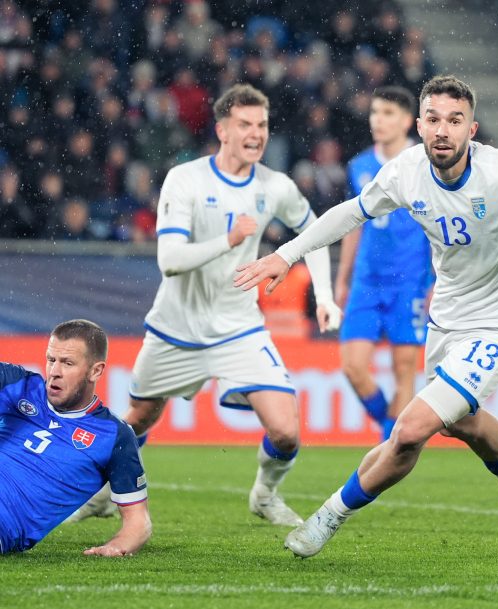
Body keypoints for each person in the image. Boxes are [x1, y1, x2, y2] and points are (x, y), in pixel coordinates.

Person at [235, 75, 498, 557]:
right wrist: (285, 255)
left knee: (410, 430)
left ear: (472, 129)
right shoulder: (404, 170)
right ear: (420, 125)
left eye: (455, 121)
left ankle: (327, 517)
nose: (443, 131)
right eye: (433, 119)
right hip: (447, 321)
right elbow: (350, 213)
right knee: (462, 423)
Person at [70, 84, 341, 527]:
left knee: (286, 430)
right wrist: (229, 241)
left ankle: (265, 495)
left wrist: (325, 297)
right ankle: (104, 491)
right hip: (177, 326)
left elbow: (316, 233)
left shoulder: (276, 186)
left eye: (262, 126)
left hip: (239, 327)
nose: (255, 134)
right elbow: (170, 260)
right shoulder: (188, 179)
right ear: (222, 129)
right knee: (140, 415)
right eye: (245, 125)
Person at [0, 319, 150, 556]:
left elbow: (138, 523)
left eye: (67, 363)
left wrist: (116, 546)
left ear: (95, 371)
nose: (55, 372)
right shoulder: (19, 384)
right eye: (51, 360)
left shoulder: (113, 436)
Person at [334, 86, 433, 440]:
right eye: (375, 112)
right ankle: (391, 430)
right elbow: (352, 224)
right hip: (366, 282)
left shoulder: (425, 164)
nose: (378, 119)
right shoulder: (360, 166)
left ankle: (391, 448)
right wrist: (342, 279)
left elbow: (439, 226)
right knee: (353, 368)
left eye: (388, 113)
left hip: (410, 282)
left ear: (408, 121)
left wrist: (437, 280)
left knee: (403, 371)